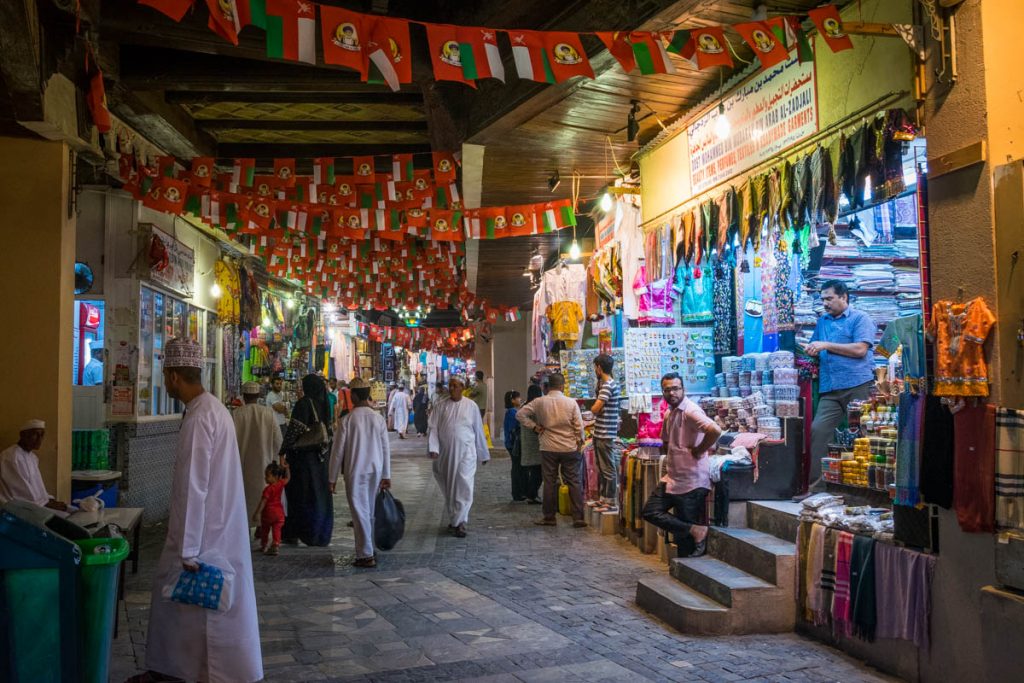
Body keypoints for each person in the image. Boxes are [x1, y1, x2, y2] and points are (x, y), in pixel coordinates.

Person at [136, 337, 261, 683]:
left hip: (205, 534)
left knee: (198, 611)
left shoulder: (200, 418)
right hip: (215, 528)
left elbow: (195, 486)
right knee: (183, 612)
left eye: (165, 376)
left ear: (174, 377)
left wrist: (189, 548)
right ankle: (175, 669)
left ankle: (188, 671)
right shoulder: (213, 410)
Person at [803, 280, 878, 489]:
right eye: (823, 299)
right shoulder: (823, 322)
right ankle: (817, 488)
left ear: (843, 297)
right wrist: (812, 350)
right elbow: (816, 346)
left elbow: (860, 350)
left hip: (858, 384)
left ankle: (864, 487)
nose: (825, 303)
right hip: (830, 388)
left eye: (829, 298)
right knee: (819, 431)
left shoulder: (860, 319)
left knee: (863, 435)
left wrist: (826, 345)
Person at [642, 372, 722, 558]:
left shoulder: (691, 411)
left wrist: (700, 449)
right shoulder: (670, 412)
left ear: (683, 389)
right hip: (673, 479)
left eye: (676, 388)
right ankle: (695, 530)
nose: (672, 393)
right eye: (667, 389)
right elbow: (666, 441)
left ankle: (686, 567)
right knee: (650, 511)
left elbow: (715, 430)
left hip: (692, 481)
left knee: (683, 541)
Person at [329, 378, 391, 568]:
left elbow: (337, 451)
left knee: (359, 511)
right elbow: (385, 448)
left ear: (354, 396)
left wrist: (331, 478)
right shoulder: (378, 418)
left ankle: (365, 554)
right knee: (368, 510)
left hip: (355, 470)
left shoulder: (347, 420)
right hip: (375, 469)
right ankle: (368, 548)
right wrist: (386, 474)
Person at [516, 373, 587, 528]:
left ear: (548, 386)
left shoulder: (539, 402)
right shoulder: (571, 403)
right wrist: (579, 440)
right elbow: (579, 426)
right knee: (574, 481)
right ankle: (578, 517)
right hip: (569, 447)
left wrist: (535, 427)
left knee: (549, 482)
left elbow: (520, 414)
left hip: (548, 447)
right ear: (562, 386)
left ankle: (549, 517)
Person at [429, 375, 489, 538]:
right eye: (451, 385)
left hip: (466, 454)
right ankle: (455, 520)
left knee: (464, 484)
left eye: (457, 386)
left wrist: (483, 453)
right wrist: (433, 448)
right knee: (450, 488)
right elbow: (433, 428)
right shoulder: (440, 406)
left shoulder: (471, 406)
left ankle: (461, 522)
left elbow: (478, 430)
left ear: (463, 387)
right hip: (446, 454)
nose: (453, 389)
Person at [280, 374, 334, 547]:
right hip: (321, 458)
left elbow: (294, 431)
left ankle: (299, 531)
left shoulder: (304, 404)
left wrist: (283, 452)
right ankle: (319, 533)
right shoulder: (324, 403)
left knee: (300, 494)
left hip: (303, 459)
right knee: (319, 493)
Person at [233, 381, 284, 521]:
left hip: (242, 466)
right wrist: (278, 460)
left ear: (244, 396)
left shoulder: (236, 414)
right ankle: (262, 526)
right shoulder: (268, 413)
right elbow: (278, 441)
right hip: (265, 464)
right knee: (264, 495)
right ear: (258, 395)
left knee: (244, 498)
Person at [0, 419, 67, 510]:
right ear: (23, 435)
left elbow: (38, 487)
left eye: (42, 435)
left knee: (71, 510)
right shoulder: (10, 457)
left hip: (36, 504)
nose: (39, 439)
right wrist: (46, 504)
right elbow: (18, 492)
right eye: (35, 434)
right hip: (18, 508)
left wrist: (49, 500)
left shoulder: (33, 458)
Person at [590, 354, 622, 512]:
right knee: (602, 468)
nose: (594, 370)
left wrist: (596, 408)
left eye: (595, 367)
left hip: (605, 434)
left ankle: (610, 501)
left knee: (608, 468)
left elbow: (595, 409)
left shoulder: (608, 385)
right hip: (600, 432)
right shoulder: (605, 384)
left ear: (599, 368)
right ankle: (603, 499)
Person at [252, 461, 290, 555]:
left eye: (268, 476)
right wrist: (287, 468)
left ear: (275, 476)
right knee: (277, 530)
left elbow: (263, 502)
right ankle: (275, 545)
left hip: (268, 513)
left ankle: (264, 545)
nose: (265, 478)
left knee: (265, 530)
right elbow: (288, 478)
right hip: (279, 513)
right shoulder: (280, 484)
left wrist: (257, 513)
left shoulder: (268, 489)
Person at [517, 385, 544, 504]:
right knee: (537, 471)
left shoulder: (524, 405)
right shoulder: (534, 407)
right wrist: (535, 427)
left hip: (527, 442)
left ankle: (531, 494)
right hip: (535, 442)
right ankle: (532, 494)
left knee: (533, 470)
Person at [503, 391, 527, 501]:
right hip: (514, 444)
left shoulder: (511, 411)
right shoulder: (512, 412)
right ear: (512, 400)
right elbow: (515, 428)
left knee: (517, 467)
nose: (520, 399)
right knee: (517, 468)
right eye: (518, 398)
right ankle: (517, 493)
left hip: (511, 443)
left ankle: (518, 492)